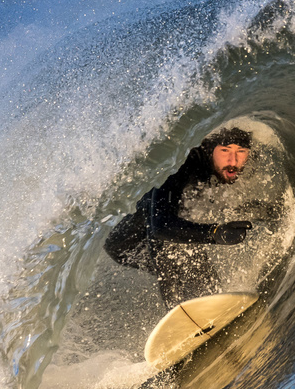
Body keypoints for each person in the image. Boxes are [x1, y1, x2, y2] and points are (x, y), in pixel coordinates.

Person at [104, 127, 259, 308]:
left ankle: (210, 308)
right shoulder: (181, 165)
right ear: (210, 149)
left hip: (166, 226)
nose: (233, 161)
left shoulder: (232, 166)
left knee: (197, 268)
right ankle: (177, 310)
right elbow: (160, 226)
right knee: (174, 250)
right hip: (127, 243)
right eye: (225, 151)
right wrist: (215, 233)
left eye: (241, 152)